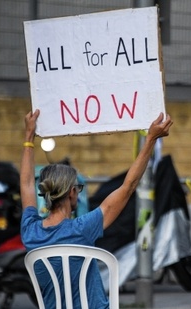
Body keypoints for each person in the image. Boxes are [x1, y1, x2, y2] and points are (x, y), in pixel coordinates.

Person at [20, 109, 172, 308]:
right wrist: (150, 140)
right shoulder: (82, 229)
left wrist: (29, 136)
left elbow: (26, 184)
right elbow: (128, 187)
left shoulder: (30, 231)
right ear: (72, 192)